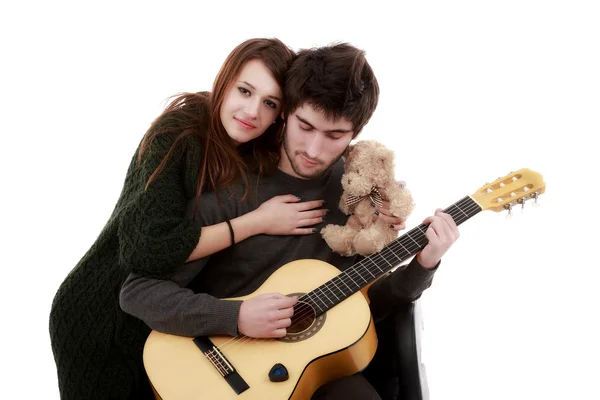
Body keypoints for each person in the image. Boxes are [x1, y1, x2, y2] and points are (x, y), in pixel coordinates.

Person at [120, 42, 460, 399]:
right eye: (305, 126)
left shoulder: (356, 195)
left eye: (334, 135)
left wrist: (424, 263)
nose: (314, 150)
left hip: (313, 370)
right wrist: (233, 316)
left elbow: (371, 304)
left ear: (355, 134)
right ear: (284, 112)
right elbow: (140, 292)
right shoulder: (230, 190)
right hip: (225, 372)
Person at [48, 37, 333, 400]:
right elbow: (146, 248)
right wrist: (257, 222)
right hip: (98, 314)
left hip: (168, 327)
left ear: (281, 113)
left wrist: (371, 188)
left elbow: (315, 148)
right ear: (225, 80)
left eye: (269, 102)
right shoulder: (179, 134)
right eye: (244, 91)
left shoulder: (256, 145)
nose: (251, 111)